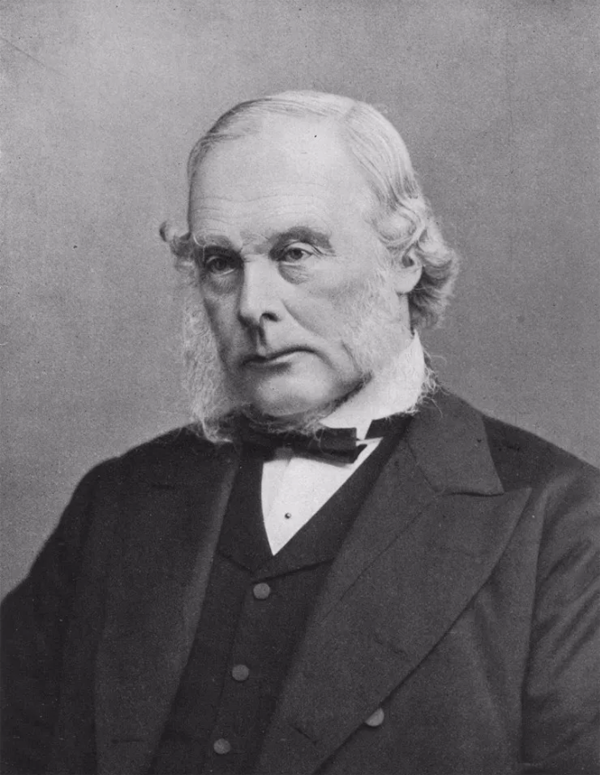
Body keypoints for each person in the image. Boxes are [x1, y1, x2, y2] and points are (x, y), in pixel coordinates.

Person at [2, 91, 600, 775]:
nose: (253, 306)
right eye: (221, 262)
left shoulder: (562, 522)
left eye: (295, 252)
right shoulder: (119, 499)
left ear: (404, 258)